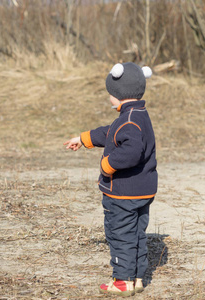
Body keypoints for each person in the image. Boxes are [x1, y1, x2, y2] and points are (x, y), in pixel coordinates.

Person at [64, 62, 157, 297]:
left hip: (123, 193)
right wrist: (84, 138)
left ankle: (122, 281)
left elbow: (131, 151)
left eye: (110, 93)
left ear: (119, 93)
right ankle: (136, 277)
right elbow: (110, 133)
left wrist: (107, 165)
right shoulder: (136, 115)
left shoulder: (129, 121)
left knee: (120, 234)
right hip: (141, 192)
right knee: (136, 234)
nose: (109, 97)